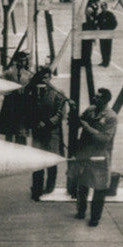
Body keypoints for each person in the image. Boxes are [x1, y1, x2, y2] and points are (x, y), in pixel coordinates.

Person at [71, 88, 117, 226]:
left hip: (99, 155)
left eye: (98, 97)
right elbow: (79, 121)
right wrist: (74, 112)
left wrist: (87, 127)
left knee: (99, 187)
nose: (95, 99)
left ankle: (95, 218)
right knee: (82, 184)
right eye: (95, 96)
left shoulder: (111, 117)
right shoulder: (90, 110)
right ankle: (81, 211)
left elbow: (104, 139)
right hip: (85, 152)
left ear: (105, 100)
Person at [27, 67, 68, 200]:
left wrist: (48, 123)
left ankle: (50, 187)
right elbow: (28, 109)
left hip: (52, 132)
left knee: (51, 161)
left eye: (46, 77)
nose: (44, 80)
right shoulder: (34, 93)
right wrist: (34, 123)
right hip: (38, 132)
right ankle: (37, 189)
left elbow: (60, 113)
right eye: (42, 78)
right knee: (37, 161)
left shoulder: (58, 93)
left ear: (50, 78)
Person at [0, 52, 34, 144]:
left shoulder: (29, 74)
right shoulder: (10, 72)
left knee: (21, 132)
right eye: (21, 60)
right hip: (11, 104)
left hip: (23, 105)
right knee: (9, 131)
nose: (23, 62)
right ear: (16, 61)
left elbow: (34, 87)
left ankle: (22, 152)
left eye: (25, 60)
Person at [95, 1, 118, 67]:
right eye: (102, 7)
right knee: (102, 48)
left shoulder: (110, 15)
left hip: (108, 34)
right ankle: (103, 60)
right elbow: (97, 23)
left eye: (104, 7)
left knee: (108, 48)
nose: (103, 8)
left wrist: (110, 29)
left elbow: (115, 23)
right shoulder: (99, 15)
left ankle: (107, 61)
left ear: (106, 7)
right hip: (102, 33)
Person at [80, 2, 99, 66]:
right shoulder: (85, 19)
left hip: (88, 37)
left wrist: (94, 38)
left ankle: (86, 61)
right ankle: (84, 61)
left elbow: (94, 28)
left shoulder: (91, 19)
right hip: (84, 36)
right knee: (84, 49)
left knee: (88, 50)